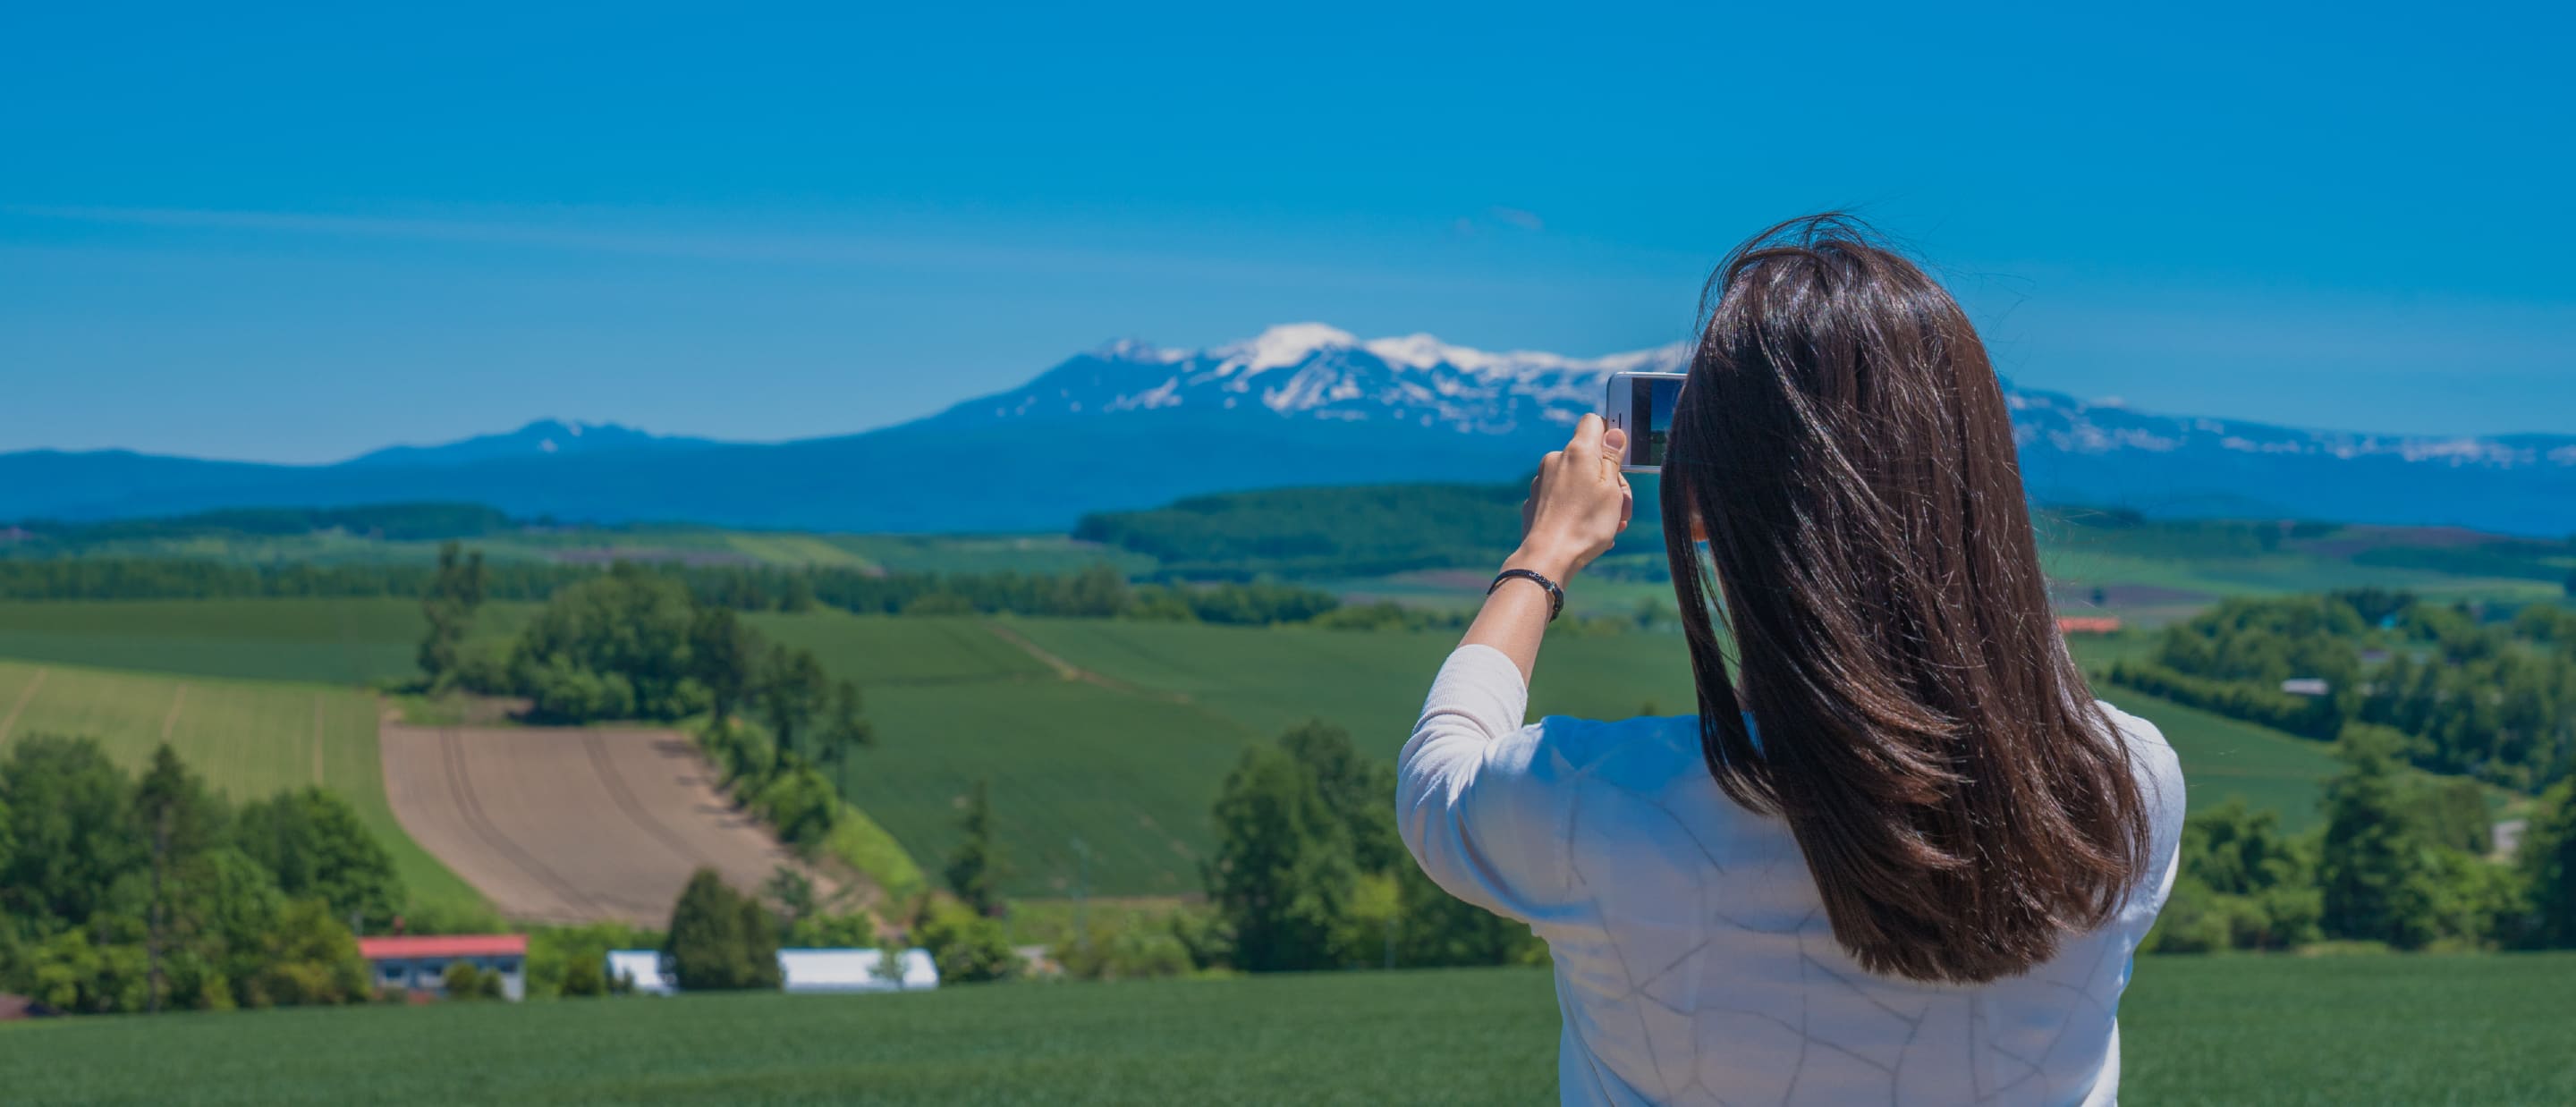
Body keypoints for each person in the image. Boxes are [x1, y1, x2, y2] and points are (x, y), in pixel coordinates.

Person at [1398, 215, 2183, 1106]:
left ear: (1700, 502)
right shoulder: (2125, 790)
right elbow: (1990, 671)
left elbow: (1437, 777)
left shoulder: (1593, 801)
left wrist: (1541, 555)